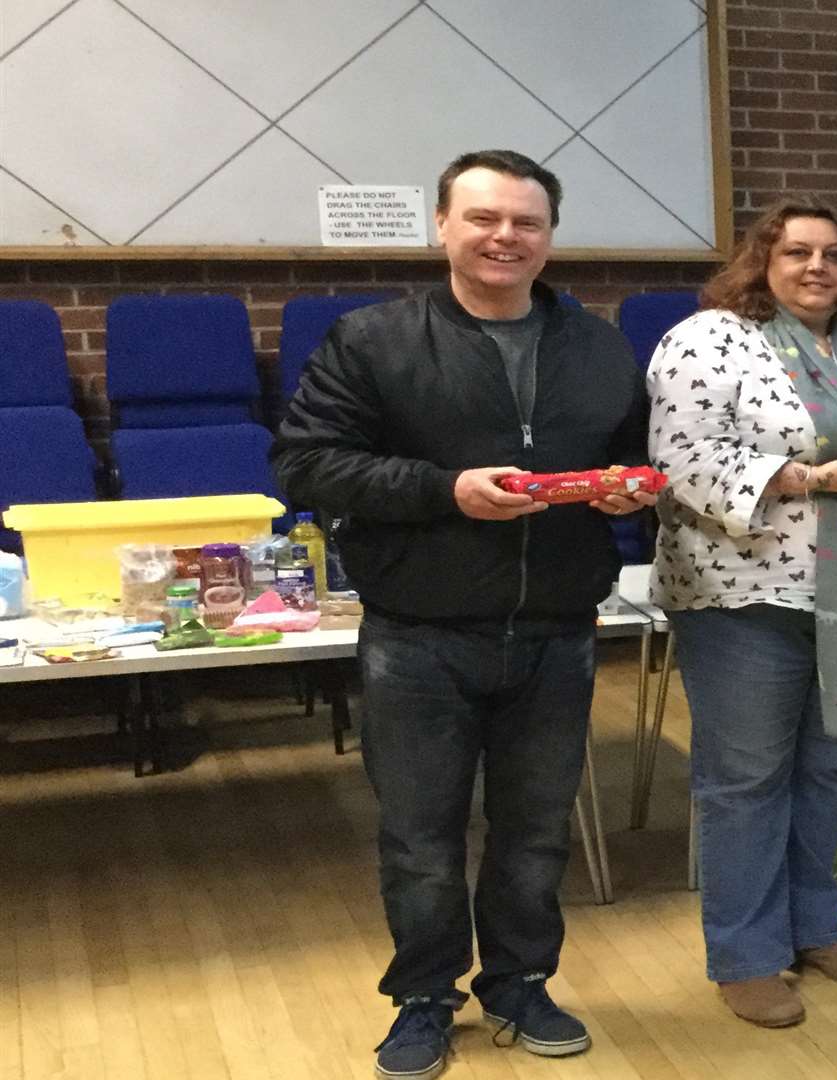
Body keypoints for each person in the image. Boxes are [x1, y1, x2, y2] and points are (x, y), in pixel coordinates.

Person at [272, 150, 654, 1080]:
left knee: (535, 832)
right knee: (421, 840)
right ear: (441, 227)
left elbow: (634, 457)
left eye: (525, 222)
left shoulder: (598, 346)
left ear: (550, 237)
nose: (504, 237)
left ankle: (520, 983)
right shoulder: (371, 341)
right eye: (483, 218)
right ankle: (424, 998)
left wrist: (628, 493)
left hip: (558, 630)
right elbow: (307, 465)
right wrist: (447, 490)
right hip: (419, 635)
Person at [646, 196, 837, 1028]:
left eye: (833, 255)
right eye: (796, 253)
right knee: (746, 780)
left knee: (827, 770)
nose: (817, 267)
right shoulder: (709, 339)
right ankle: (746, 955)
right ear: (761, 261)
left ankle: (816, 925)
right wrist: (808, 478)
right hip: (745, 592)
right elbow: (684, 461)